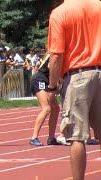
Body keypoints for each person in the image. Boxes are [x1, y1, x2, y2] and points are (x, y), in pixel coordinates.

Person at [47, 1, 101, 179]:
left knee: (76, 136)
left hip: (77, 75)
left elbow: (56, 54)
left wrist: (52, 86)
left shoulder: (60, 13)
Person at [29, 53, 62, 146]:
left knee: (55, 108)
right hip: (39, 79)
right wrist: (57, 84)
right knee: (47, 108)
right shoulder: (56, 54)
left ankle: (51, 138)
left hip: (48, 80)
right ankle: (34, 137)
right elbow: (52, 67)